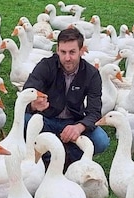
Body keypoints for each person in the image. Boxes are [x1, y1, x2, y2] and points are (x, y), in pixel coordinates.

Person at [23, 27, 109, 170]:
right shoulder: (46, 66)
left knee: (101, 140)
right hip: (46, 119)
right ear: (57, 50)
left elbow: (95, 112)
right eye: (63, 52)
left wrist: (79, 127)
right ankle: (45, 158)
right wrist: (33, 105)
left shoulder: (92, 74)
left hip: (72, 121)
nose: (67, 58)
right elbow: (25, 96)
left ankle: (67, 158)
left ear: (81, 51)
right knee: (25, 121)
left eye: (72, 52)